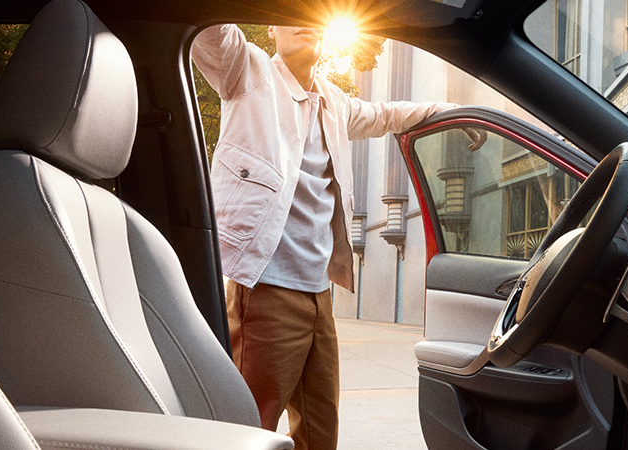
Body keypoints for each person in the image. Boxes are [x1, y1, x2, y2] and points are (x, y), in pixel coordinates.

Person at [192, 24, 456, 450]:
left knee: (320, 433)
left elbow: (387, 114)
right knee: (247, 430)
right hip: (266, 291)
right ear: (271, 25)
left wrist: (450, 113)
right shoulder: (246, 70)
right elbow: (211, 29)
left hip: (320, 298)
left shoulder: (333, 101)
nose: (303, 16)